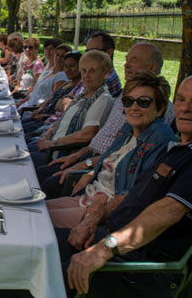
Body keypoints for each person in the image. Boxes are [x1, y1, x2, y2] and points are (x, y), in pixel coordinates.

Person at [59, 73, 192, 297]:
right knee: (32, 243)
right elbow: (133, 197)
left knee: (31, 270)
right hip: (109, 240)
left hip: (135, 268)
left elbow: (169, 211)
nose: (185, 109)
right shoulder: (180, 149)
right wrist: (94, 218)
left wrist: (102, 249)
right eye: (181, 100)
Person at [46, 71, 177, 226]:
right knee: (29, 210)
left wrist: (105, 205)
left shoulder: (159, 139)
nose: (134, 107)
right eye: (128, 101)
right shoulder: (128, 130)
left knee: (34, 220)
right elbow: (113, 159)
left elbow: (140, 193)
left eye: (143, 102)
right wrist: (90, 171)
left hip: (101, 213)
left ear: (160, 108)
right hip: (85, 198)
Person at [47, 43, 176, 180]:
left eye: (133, 60)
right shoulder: (122, 97)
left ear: (152, 67)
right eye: (126, 60)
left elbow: (123, 159)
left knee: (46, 178)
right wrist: (77, 156)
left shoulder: (156, 109)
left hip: (103, 167)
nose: (126, 65)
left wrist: (86, 167)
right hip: (89, 156)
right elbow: (102, 138)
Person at [29, 50, 114, 169]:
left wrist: (52, 143)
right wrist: (47, 135)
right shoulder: (83, 95)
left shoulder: (103, 99)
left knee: (23, 161)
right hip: (51, 144)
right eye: (84, 70)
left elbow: (86, 135)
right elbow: (64, 118)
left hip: (61, 155)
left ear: (105, 74)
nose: (86, 76)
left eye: (93, 71)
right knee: (20, 147)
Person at [17, 44, 70, 109]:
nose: (59, 58)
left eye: (62, 56)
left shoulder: (61, 77)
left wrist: (37, 109)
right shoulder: (48, 71)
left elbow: (52, 100)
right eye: (57, 55)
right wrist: (22, 101)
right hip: (27, 104)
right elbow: (36, 91)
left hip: (32, 109)